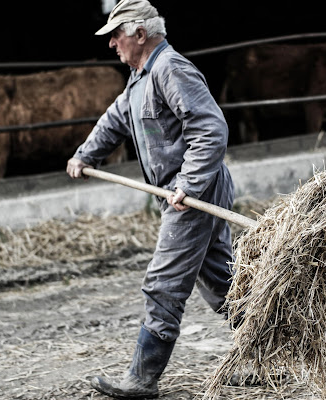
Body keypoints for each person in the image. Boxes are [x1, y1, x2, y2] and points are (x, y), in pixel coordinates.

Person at [66, 0, 235, 397]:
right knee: (222, 282)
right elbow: (115, 119)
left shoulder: (170, 69)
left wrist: (189, 184)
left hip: (193, 194)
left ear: (140, 34)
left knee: (163, 283)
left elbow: (210, 130)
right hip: (182, 192)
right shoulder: (142, 76)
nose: (112, 44)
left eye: (116, 35)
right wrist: (84, 155)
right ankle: (270, 352)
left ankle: (142, 379)